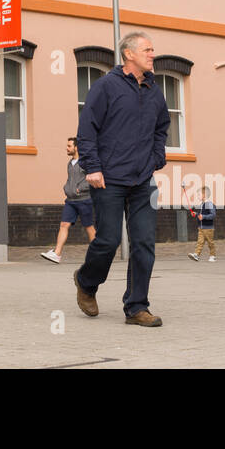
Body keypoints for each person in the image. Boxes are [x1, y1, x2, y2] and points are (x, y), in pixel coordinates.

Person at [71, 32, 168, 327]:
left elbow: (162, 128)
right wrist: (93, 168)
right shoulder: (105, 87)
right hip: (108, 178)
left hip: (143, 180)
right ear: (129, 54)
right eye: (147, 50)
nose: (153, 54)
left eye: (153, 50)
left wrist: (156, 158)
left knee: (144, 243)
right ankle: (86, 282)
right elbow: (87, 131)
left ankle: (137, 307)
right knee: (108, 240)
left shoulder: (154, 90)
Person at [42, 137, 96, 264]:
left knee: (89, 227)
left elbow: (93, 179)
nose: (67, 148)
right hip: (71, 200)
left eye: (69, 146)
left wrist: (80, 189)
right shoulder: (70, 163)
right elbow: (70, 180)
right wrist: (67, 188)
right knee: (64, 225)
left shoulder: (85, 162)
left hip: (84, 200)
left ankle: (97, 255)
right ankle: (57, 253)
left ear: (76, 147)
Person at [188, 185, 217, 262]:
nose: (197, 196)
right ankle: (196, 255)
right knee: (200, 242)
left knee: (210, 242)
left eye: (199, 194)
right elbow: (201, 215)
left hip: (208, 228)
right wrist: (196, 214)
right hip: (201, 227)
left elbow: (213, 215)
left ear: (204, 195)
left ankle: (212, 255)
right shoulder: (202, 204)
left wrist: (203, 216)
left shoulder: (209, 204)